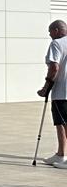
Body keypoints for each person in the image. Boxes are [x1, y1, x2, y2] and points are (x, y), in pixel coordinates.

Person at [39, 20, 67, 168]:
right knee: (61, 123)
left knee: (62, 123)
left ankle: (64, 156)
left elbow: (54, 67)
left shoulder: (56, 44)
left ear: (56, 30)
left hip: (62, 92)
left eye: (50, 31)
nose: (49, 34)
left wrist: (46, 87)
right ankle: (61, 154)